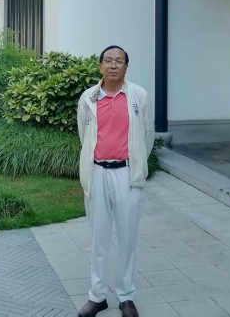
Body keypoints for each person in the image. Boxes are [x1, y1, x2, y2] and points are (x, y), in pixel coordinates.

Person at [77, 45, 155, 317]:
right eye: (108, 60)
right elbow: (84, 134)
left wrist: (136, 163)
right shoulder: (89, 97)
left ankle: (126, 296)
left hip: (127, 175)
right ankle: (97, 296)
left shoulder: (138, 95)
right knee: (98, 238)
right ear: (100, 66)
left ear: (126, 66)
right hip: (97, 172)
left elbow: (147, 135)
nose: (113, 65)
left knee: (127, 237)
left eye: (119, 61)